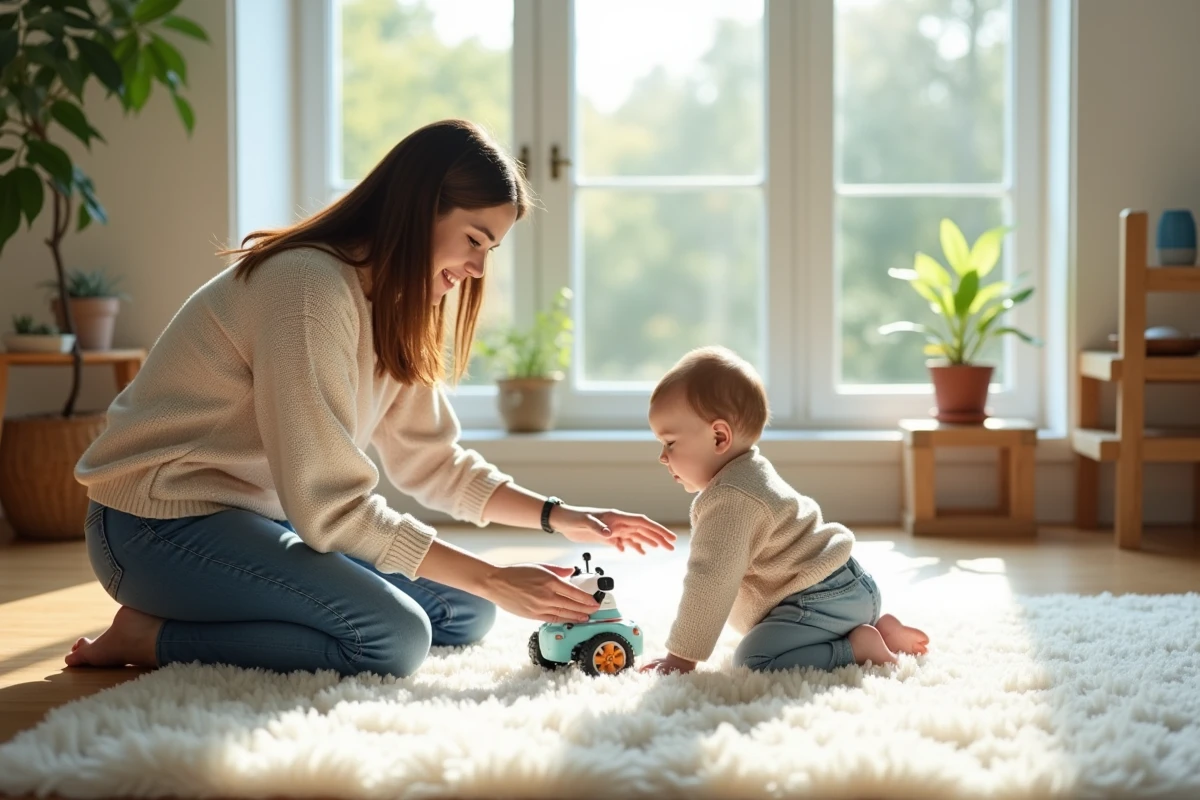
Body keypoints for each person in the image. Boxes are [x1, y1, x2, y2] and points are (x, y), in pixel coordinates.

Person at [67, 120, 676, 678]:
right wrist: (495, 574)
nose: (476, 267)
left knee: (468, 609)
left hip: (254, 519)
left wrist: (557, 516)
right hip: (154, 527)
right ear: (416, 209)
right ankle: (150, 637)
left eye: (489, 250)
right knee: (393, 638)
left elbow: (432, 463)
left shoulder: (397, 303)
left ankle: (249, 612)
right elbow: (329, 507)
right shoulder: (308, 289)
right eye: (473, 239)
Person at [638, 346, 927, 675]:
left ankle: (856, 649)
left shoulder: (730, 500)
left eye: (670, 443)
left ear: (719, 437)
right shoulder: (751, 470)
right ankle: (880, 629)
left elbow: (709, 582)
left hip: (820, 599)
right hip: (852, 588)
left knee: (754, 660)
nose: (663, 457)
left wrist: (680, 658)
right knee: (779, 637)